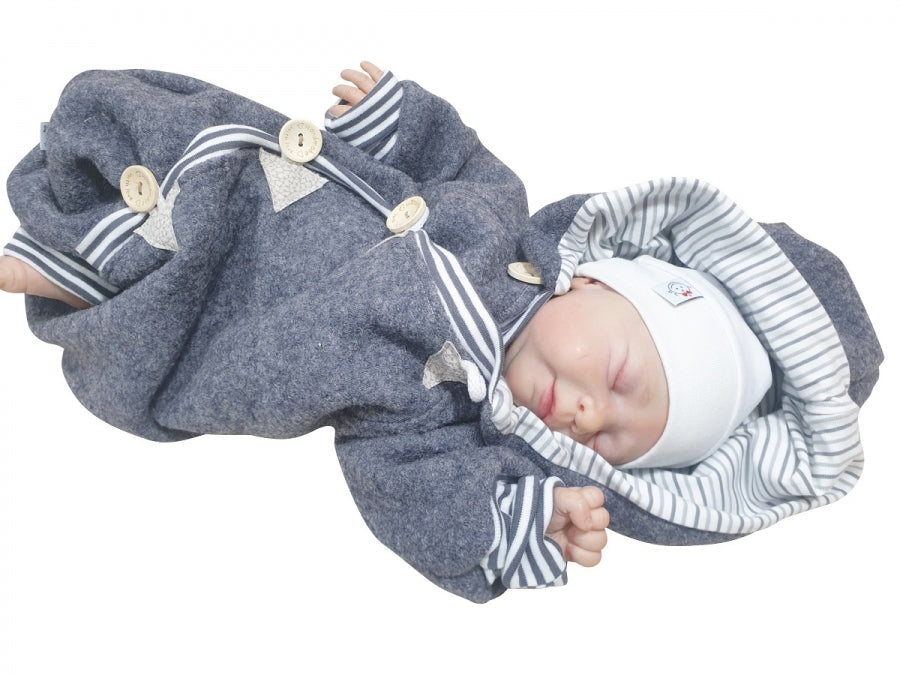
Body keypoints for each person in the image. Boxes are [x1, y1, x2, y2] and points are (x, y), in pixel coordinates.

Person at [0, 62, 882, 602]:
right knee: (173, 134)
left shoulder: (446, 419)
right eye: (616, 378)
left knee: (135, 286)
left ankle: (61, 269)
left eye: (612, 439)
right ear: (595, 280)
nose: (587, 412)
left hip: (223, 325)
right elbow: (453, 155)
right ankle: (96, 209)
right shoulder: (499, 215)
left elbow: (408, 493)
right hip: (278, 186)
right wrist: (396, 115)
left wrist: (520, 519)